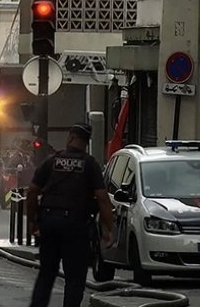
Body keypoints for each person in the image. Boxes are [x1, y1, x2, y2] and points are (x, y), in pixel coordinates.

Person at [27, 123, 114, 307]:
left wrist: (33, 221)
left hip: (49, 222)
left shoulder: (52, 161)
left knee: (46, 275)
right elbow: (102, 198)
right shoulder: (90, 165)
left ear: (70, 138)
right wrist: (108, 230)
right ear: (86, 142)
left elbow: (32, 191)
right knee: (74, 278)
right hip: (75, 225)